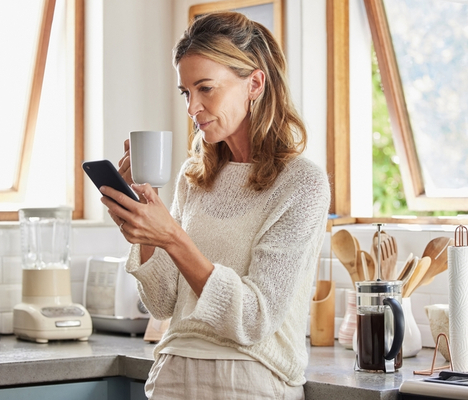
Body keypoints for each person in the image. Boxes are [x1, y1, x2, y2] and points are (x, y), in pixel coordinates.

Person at [99, 11, 330, 400]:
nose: (193, 108)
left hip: (251, 381)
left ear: (254, 83)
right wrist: (144, 232)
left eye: (206, 88)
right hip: (172, 373)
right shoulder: (197, 178)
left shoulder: (302, 184)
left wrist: (172, 237)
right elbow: (161, 304)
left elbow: (253, 319)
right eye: (186, 92)